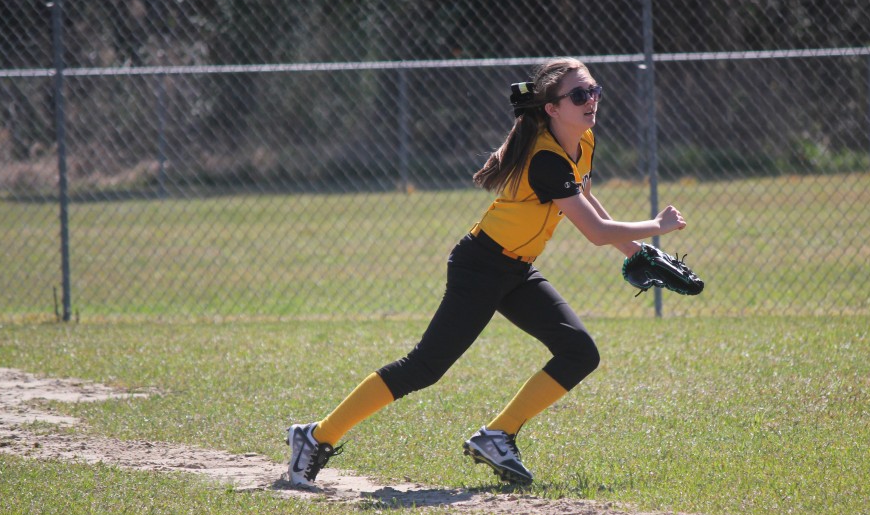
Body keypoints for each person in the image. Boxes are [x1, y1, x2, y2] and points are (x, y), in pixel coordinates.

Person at [287, 57, 687, 487]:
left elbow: (587, 203)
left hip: (516, 269)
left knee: (579, 352)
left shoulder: (582, 139)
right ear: (551, 108)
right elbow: (594, 231)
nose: (590, 101)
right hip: (480, 266)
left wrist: (635, 253)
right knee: (424, 367)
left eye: (594, 90)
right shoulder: (545, 159)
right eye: (578, 95)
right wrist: (655, 228)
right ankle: (315, 436)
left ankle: (498, 435)